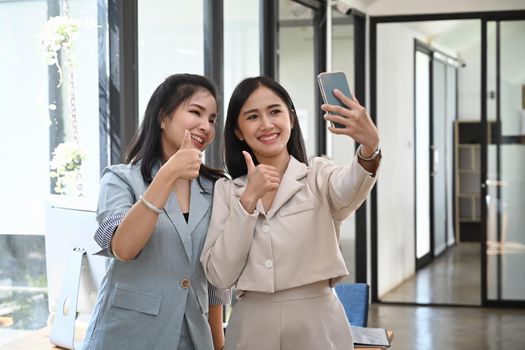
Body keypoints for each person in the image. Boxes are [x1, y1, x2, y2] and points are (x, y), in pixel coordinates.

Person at [200, 76, 381, 350]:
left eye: (275, 112)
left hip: (318, 323)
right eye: (252, 116)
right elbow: (220, 275)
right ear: (238, 131)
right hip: (251, 325)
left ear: (292, 119)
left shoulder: (318, 175)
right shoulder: (227, 191)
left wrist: (370, 147)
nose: (266, 124)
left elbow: (350, 188)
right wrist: (248, 200)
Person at [82, 74, 230, 350]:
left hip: (193, 336)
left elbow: (214, 275)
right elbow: (123, 247)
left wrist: (217, 340)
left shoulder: (216, 188)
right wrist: (168, 174)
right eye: (195, 112)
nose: (205, 126)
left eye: (212, 119)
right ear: (163, 117)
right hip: (125, 335)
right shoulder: (119, 179)